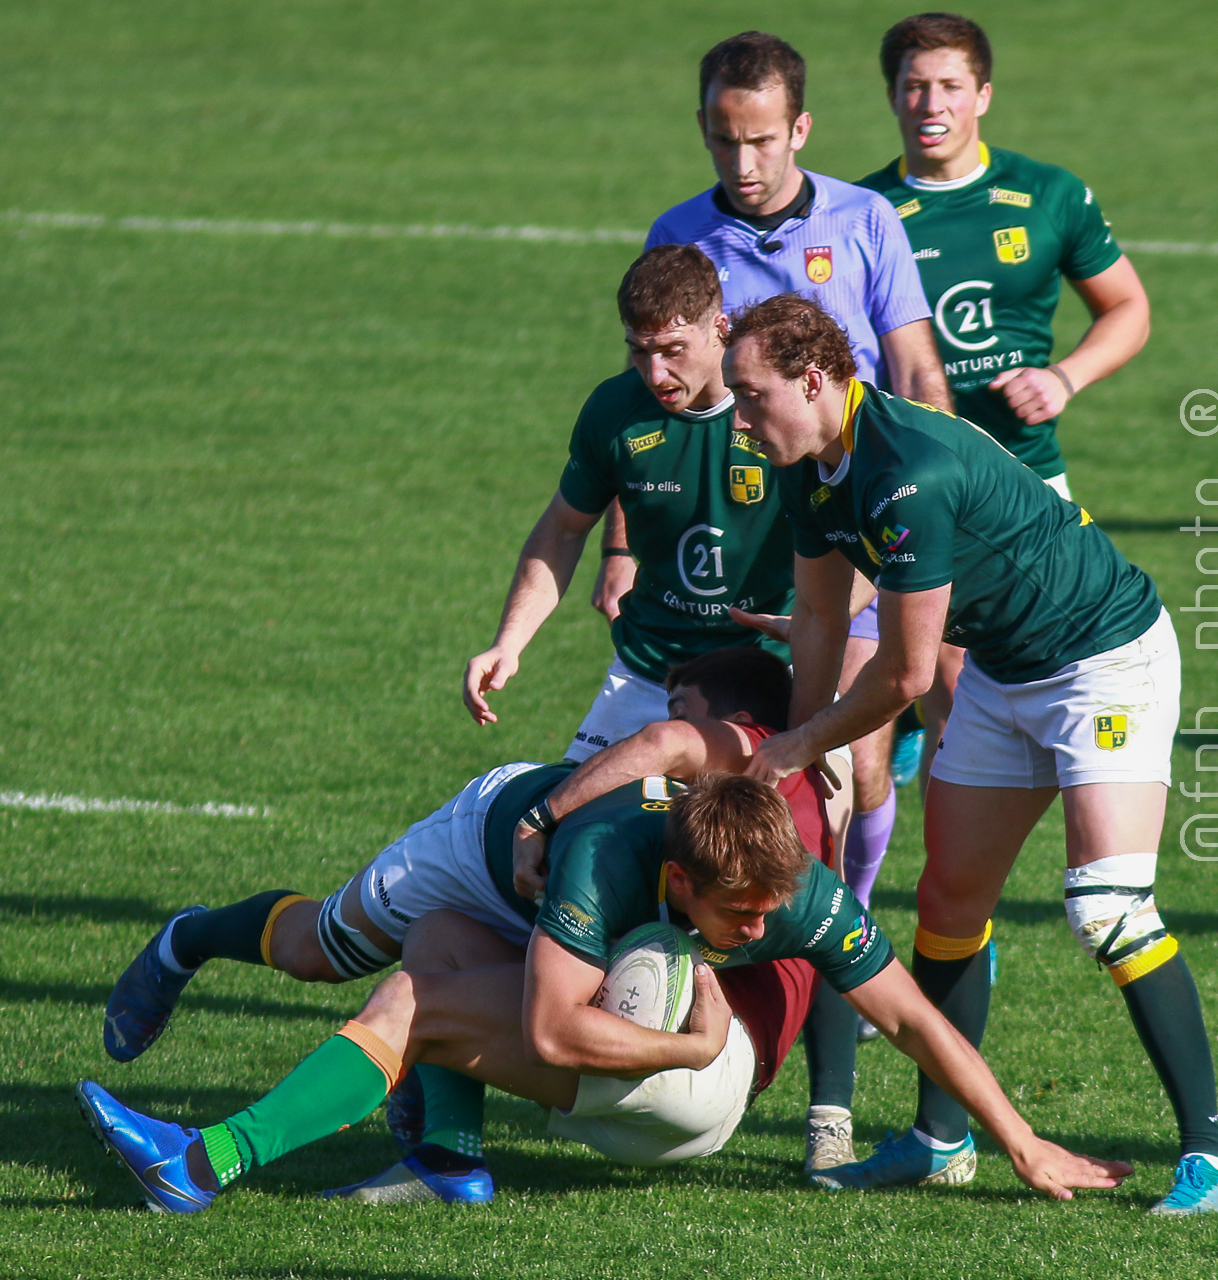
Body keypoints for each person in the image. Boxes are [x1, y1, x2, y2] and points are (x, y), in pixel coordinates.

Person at [721, 293, 1218, 1215]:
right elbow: (815, 615)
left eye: (752, 395)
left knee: (1108, 909)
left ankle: (1211, 1161)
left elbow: (907, 673)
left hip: (1103, 662)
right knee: (949, 901)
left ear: (812, 380)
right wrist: (795, 767)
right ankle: (939, 1138)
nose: (741, 419)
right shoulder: (811, 464)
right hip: (1007, 670)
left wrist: (798, 744)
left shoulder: (904, 471)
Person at [77, 773, 1133, 1215]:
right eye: (738, 919)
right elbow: (550, 1024)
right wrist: (677, 1040)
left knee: (412, 999)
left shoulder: (785, 887)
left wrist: (1020, 1139)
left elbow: (909, 1014)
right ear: (677, 878)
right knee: (440, 934)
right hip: (664, 1055)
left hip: (694, 1096)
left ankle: (200, 1163)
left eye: (770, 914)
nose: (761, 934)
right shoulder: (603, 856)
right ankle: (449, 1167)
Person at [100, 649, 838, 1201]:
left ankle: (200, 1166)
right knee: (324, 948)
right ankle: (189, 939)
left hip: (569, 892)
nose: (669, 719)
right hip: (478, 848)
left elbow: (660, 746)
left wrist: (548, 818)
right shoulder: (729, 819)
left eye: (682, 704)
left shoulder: (736, 829)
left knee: (417, 995)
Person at [460, 243, 866, 1170]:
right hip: (648, 676)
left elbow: (862, 560)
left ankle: (828, 1116)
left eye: (675, 348)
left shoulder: (783, 411)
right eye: (640, 350)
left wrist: (818, 708)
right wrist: (511, 639)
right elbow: (562, 528)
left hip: (763, 682)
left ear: (721, 327)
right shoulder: (618, 411)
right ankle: (535, 1082)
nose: (657, 372)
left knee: (810, 876)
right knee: (562, 860)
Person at [635, 29, 952, 883]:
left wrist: (937, 489)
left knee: (856, 760)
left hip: (855, 522)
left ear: (800, 129)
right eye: (723, 138)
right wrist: (625, 544)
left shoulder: (864, 219)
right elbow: (654, 394)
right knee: (726, 752)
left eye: (762, 140)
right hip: (736, 539)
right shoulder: (680, 235)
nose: (742, 161)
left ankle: (843, 944)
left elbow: (917, 367)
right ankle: (729, 937)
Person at [856, 12, 1152, 786]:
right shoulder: (862, 213)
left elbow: (1127, 308)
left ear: (982, 94)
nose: (931, 104)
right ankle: (956, 853)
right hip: (915, 480)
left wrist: (1064, 378)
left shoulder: (1049, 194)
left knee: (1040, 664)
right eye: (914, 87)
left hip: (1028, 475)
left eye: (950, 86)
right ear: (891, 96)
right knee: (950, 675)